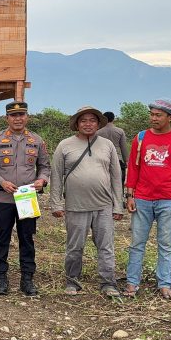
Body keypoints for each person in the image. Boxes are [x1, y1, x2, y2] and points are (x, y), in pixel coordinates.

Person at [49, 106, 123, 297]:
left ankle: (108, 283)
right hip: (76, 206)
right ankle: (72, 281)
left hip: (104, 206)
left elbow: (116, 176)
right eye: (84, 120)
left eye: (92, 120)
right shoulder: (64, 145)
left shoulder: (107, 145)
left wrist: (118, 204)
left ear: (98, 124)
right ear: (77, 124)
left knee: (106, 247)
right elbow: (56, 175)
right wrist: (56, 203)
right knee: (74, 247)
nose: (88, 124)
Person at [125, 98, 171, 300]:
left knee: (166, 244)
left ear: (170, 117)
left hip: (170, 200)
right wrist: (130, 195)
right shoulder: (140, 138)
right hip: (143, 199)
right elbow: (134, 168)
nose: (153, 118)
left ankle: (164, 284)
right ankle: (132, 283)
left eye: (158, 115)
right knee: (137, 242)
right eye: (152, 114)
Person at [0, 102, 50, 296]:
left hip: (27, 199)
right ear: (7, 118)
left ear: (27, 117)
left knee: (27, 239)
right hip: (4, 199)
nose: (17, 119)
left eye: (21, 115)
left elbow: (45, 166)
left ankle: (27, 279)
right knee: (1, 238)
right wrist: (1, 182)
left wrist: (42, 180)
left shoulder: (36, 140)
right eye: (13, 115)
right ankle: (1, 277)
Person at [96, 111, 129, 188]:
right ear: (113, 119)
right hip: (118, 159)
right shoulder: (120, 131)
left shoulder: (98, 132)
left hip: (102, 160)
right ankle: (118, 198)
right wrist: (127, 162)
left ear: (103, 119)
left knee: (103, 183)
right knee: (118, 183)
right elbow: (123, 148)